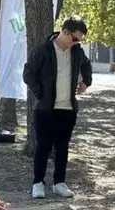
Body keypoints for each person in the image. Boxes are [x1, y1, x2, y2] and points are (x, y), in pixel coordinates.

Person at [23, 16, 92, 199]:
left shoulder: (77, 51)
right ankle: (38, 183)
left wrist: (86, 82)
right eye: (75, 38)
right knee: (43, 146)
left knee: (62, 147)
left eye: (79, 40)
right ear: (65, 32)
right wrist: (41, 93)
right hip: (46, 109)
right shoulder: (43, 50)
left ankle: (59, 183)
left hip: (68, 109)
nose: (77, 43)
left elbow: (87, 66)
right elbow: (28, 73)